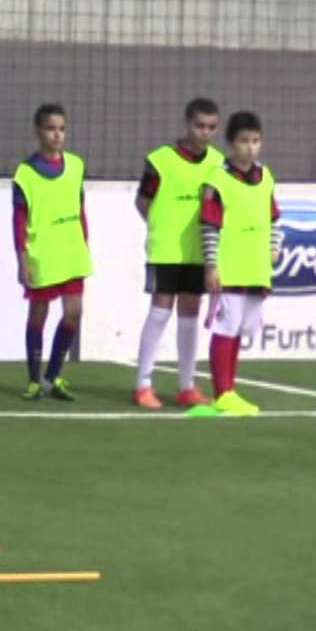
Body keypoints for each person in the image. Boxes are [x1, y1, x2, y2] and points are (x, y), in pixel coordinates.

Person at [133, 98, 224, 408]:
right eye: (199, 126)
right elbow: (142, 202)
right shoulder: (160, 160)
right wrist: (162, 226)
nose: (205, 133)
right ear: (187, 124)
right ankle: (143, 384)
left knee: (190, 312)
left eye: (211, 127)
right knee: (160, 310)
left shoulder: (218, 163)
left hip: (198, 252)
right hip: (166, 249)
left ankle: (186, 385)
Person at [201, 111, 281, 416]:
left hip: (256, 267)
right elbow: (209, 226)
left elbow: (274, 217)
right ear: (231, 144)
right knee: (226, 327)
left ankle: (230, 389)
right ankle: (222, 393)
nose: (250, 147)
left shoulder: (265, 177)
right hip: (229, 266)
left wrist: (274, 246)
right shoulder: (218, 179)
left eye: (256, 141)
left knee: (242, 329)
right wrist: (211, 265)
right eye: (244, 141)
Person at [12, 103, 90, 401]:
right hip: (42, 253)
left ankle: (52, 376)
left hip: (71, 252)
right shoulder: (25, 174)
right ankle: (33, 379)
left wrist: (85, 242)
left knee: (74, 313)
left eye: (61, 129)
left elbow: (80, 208)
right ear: (37, 131)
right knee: (39, 314)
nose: (57, 135)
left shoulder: (76, 166)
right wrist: (22, 259)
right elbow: (18, 220)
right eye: (50, 129)